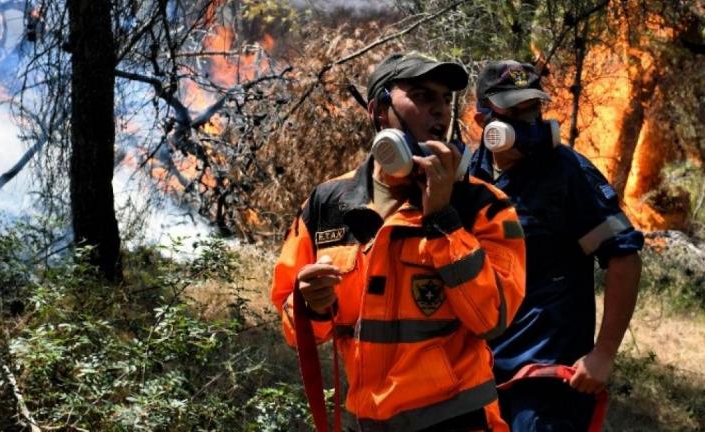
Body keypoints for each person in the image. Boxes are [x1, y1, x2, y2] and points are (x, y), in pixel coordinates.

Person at [271, 51, 526, 432]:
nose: (439, 110)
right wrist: (312, 305)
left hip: (457, 421)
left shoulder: (481, 204)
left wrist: (443, 220)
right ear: (378, 111)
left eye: (443, 99)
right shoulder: (327, 204)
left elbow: (493, 318)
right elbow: (296, 330)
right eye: (423, 97)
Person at [469, 60, 644, 431]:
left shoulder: (568, 172)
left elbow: (623, 255)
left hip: (546, 381)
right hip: (475, 377)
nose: (529, 122)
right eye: (514, 112)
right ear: (482, 120)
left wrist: (604, 354)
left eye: (533, 109)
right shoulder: (467, 176)